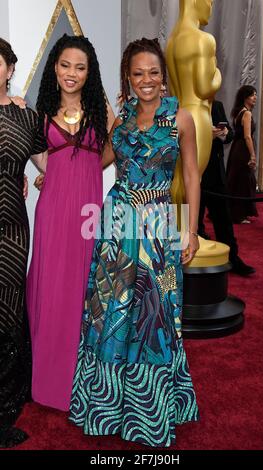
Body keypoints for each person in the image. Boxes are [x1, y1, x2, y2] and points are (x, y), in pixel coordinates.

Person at [69, 38, 200, 447]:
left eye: (154, 72)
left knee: (154, 318)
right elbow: (100, 159)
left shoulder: (180, 119)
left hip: (160, 225)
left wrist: (191, 229)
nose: (147, 80)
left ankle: (151, 408)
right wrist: (51, 164)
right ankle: (107, 406)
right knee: (111, 314)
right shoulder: (121, 118)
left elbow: (193, 176)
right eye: (138, 73)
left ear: (164, 77)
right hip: (117, 223)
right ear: (128, 76)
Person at [26, 34, 108, 412]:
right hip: (54, 212)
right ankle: (49, 383)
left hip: (89, 213)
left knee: (85, 290)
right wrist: (50, 175)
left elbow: (109, 154)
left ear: (89, 72)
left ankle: (84, 384)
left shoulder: (102, 111)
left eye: (80, 67)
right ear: (54, 68)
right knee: (53, 289)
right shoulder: (41, 113)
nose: (71, 73)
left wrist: (85, 169)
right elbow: (43, 162)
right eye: (64, 65)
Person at [0, 38, 47, 447]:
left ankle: (5, 408)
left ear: (10, 69)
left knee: (10, 308)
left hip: (13, 227)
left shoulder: (26, 118)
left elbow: (51, 165)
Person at [166, 0, 221, 209]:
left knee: (178, 178)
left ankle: (177, 233)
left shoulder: (172, 41)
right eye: (209, 2)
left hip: (176, 113)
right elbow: (205, 87)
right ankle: (188, 234)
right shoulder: (203, 39)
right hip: (197, 113)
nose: (210, 7)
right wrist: (218, 74)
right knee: (192, 178)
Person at [199, 100, 255, 276]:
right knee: (192, 225)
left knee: (224, 221)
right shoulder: (181, 103)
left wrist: (223, 133)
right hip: (193, 176)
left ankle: (233, 258)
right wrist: (205, 134)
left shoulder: (217, 105)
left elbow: (230, 134)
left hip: (216, 174)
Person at [226, 85, 258, 224]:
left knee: (237, 179)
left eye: (255, 94)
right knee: (243, 181)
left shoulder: (238, 112)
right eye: (252, 95)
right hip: (243, 150)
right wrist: (252, 155)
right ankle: (239, 214)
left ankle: (237, 212)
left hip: (236, 149)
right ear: (245, 97)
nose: (255, 97)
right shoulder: (247, 113)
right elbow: (247, 136)